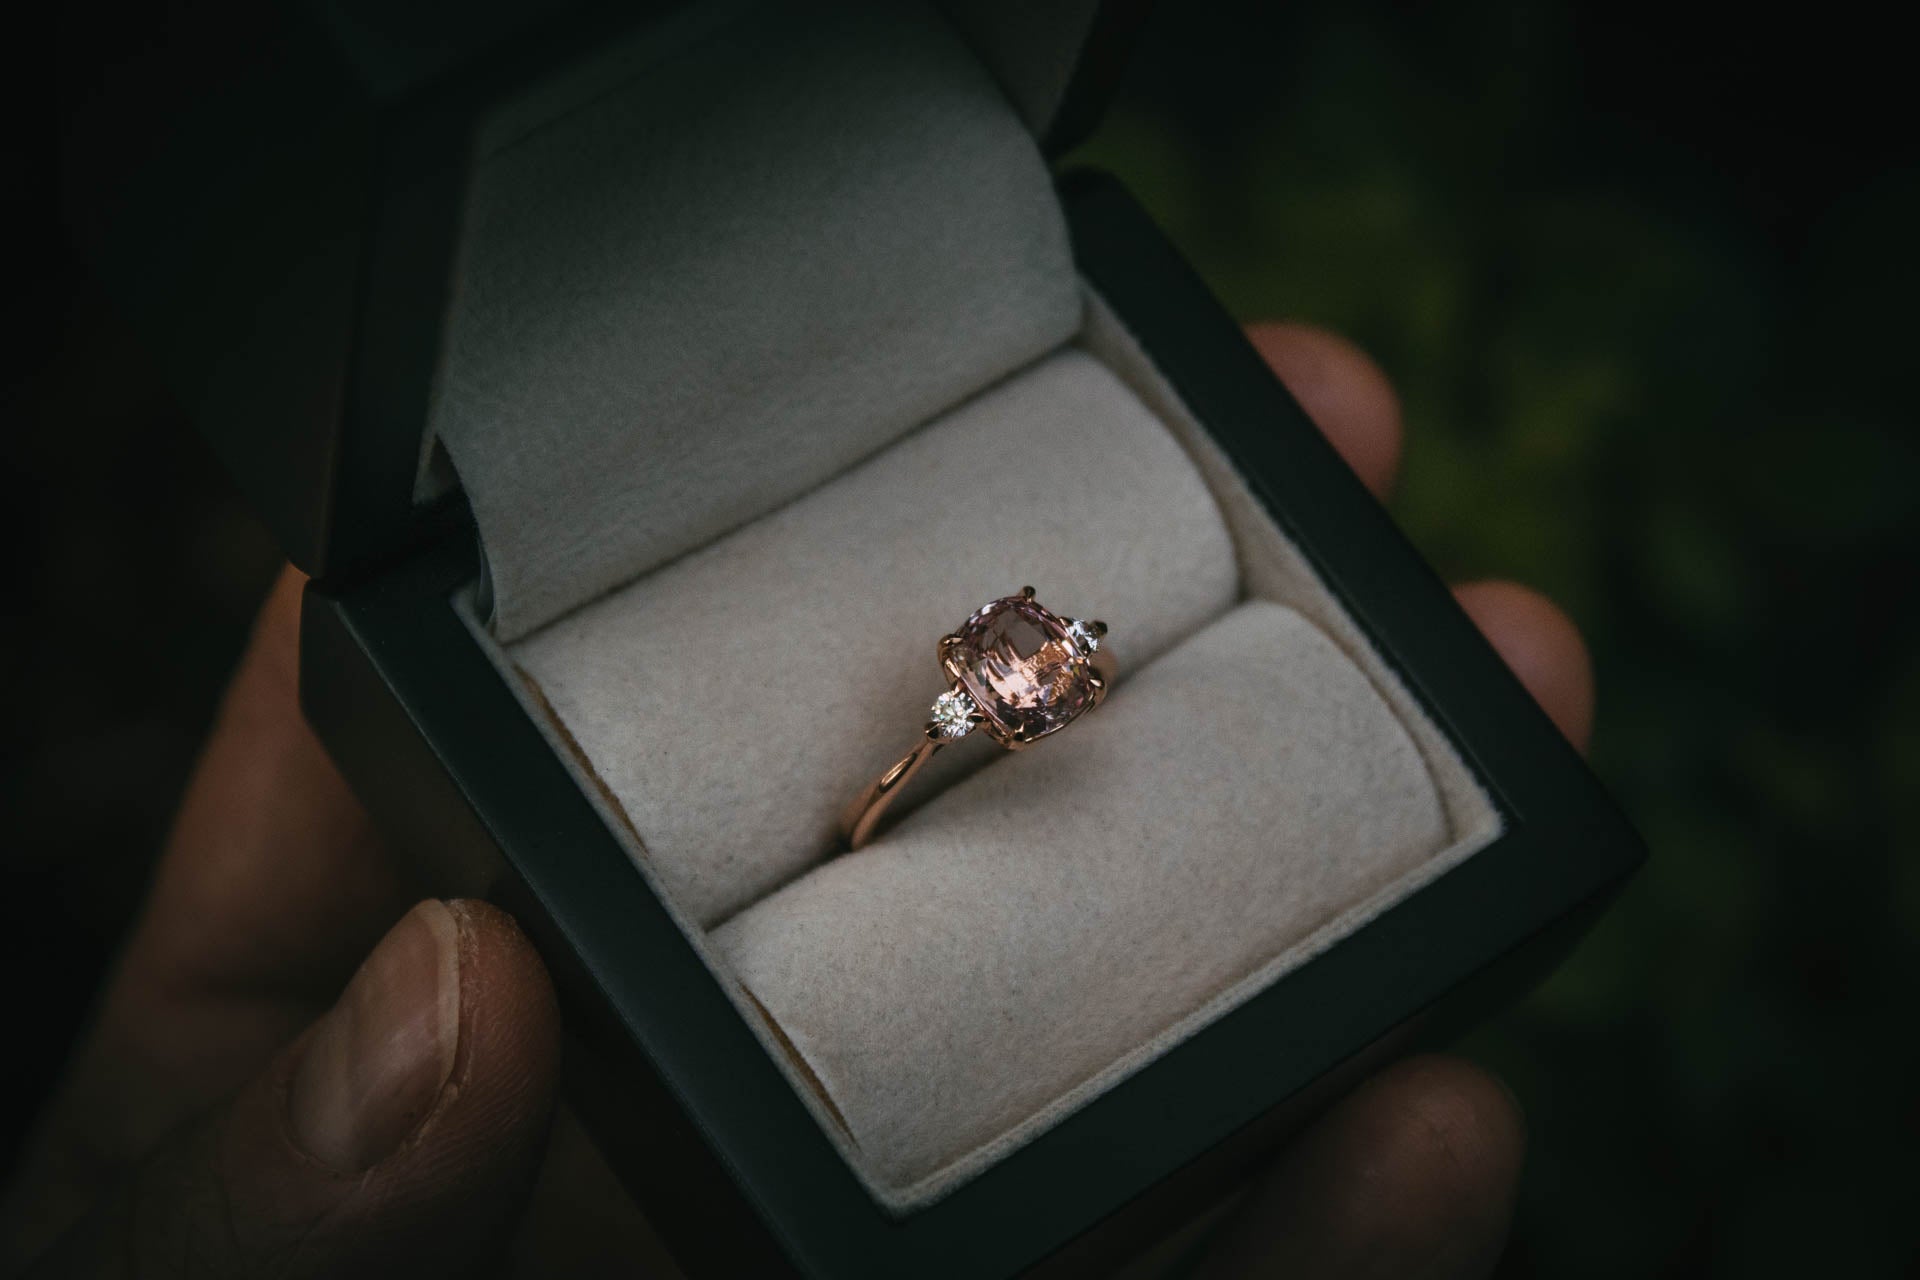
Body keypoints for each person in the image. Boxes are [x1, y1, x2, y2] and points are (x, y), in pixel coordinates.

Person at [0, 323, 1593, 1278]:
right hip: (924, 752)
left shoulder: (1014, 686)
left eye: (1035, 669)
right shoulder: (977, 695)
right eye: (1025, 667)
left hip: (944, 745)